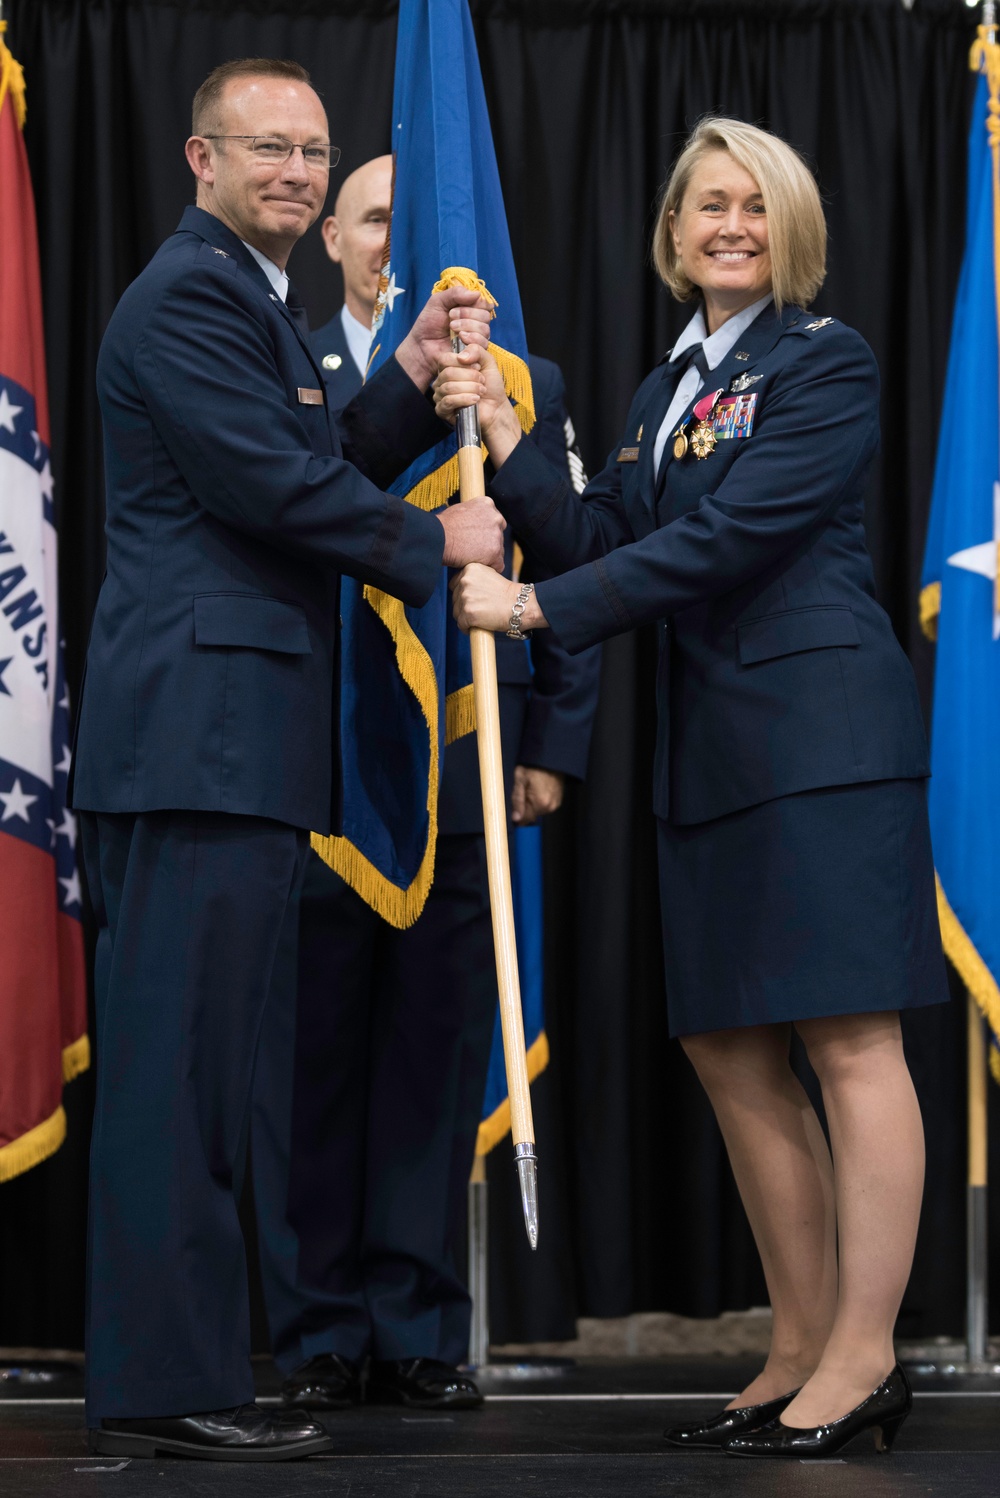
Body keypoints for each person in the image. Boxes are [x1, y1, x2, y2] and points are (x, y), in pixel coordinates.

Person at [437, 116, 948, 1460]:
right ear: (671, 235)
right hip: (709, 749)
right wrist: (511, 433)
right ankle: (795, 1338)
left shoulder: (823, 363)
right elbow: (617, 533)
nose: (730, 225)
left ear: (794, 230)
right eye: (706, 206)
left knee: (849, 1039)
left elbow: (727, 540)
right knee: (729, 1046)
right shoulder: (666, 391)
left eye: (756, 205)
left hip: (821, 740)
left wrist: (539, 607)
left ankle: (865, 1350)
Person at [69, 58, 503, 1464]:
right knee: (176, 1077)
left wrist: (420, 378)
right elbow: (268, 483)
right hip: (198, 739)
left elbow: (321, 446)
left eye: (314, 151)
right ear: (200, 160)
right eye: (268, 149)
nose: (299, 172)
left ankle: (180, 1366)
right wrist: (433, 542)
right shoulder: (190, 294)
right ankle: (162, 1379)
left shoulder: (260, 305)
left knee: (206, 1072)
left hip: (234, 745)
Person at [249, 156, 600, 1411]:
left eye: (419, 218)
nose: (399, 239)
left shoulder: (524, 387)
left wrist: (553, 742)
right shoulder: (283, 360)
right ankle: (317, 1335)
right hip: (323, 761)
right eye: (380, 216)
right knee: (316, 1057)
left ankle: (416, 1329)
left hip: (462, 762)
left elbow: (572, 564)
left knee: (430, 1060)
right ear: (335, 233)